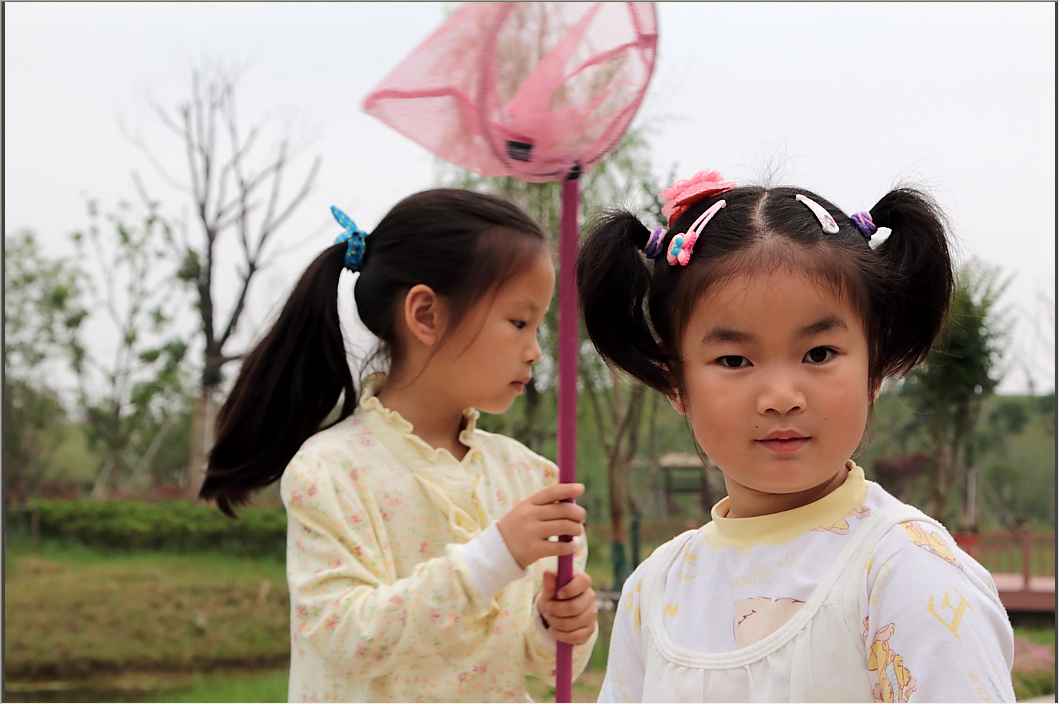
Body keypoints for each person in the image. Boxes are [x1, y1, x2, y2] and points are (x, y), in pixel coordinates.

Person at [577, 170, 1015, 702]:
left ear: (874, 367)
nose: (781, 397)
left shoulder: (904, 571)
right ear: (676, 381)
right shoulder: (655, 589)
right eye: (734, 360)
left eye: (818, 354)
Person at [200, 188, 598, 702]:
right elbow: (346, 638)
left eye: (538, 326)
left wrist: (558, 624)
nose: (535, 351)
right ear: (426, 314)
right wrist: (491, 558)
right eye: (519, 322)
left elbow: (544, 665)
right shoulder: (329, 470)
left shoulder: (532, 479)